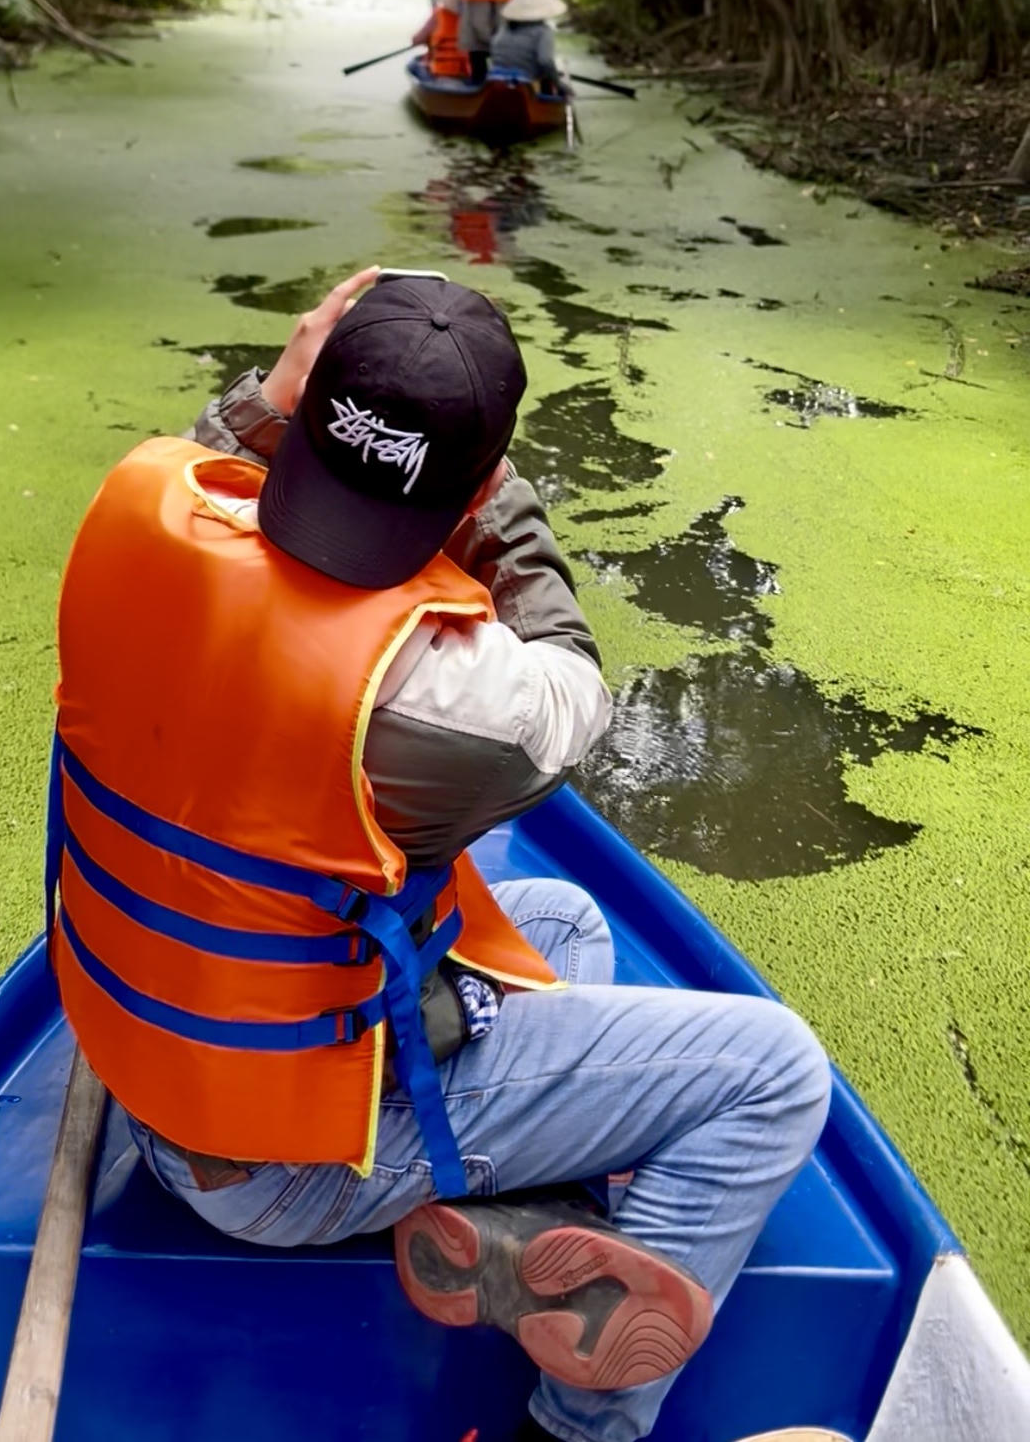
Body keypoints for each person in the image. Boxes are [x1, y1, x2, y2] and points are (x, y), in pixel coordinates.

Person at [48, 269, 839, 1442]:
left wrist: (293, 385)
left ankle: (523, 1224)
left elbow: (223, 438)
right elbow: (569, 686)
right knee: (775, 1071)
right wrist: (498, 497)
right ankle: (580, 1423)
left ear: (306, 400)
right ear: (472, 479)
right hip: (290, 1162)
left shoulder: (139, 508)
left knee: (559, 922)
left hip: (161, 1090)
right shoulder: (454, 704)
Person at [491, 0, 569, 94]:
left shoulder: (505, 28)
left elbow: (494, 53)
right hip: (525, 84)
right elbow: (545, 61)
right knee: (549, 74)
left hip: (495, 80)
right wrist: (558, 84)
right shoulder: (543, 31)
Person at [412, 0, 471, 80]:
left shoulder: (439, 14)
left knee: (416, 65)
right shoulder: (476, 15)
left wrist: (425, 40)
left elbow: (417, 39)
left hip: (440, 72)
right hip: (467, 73)